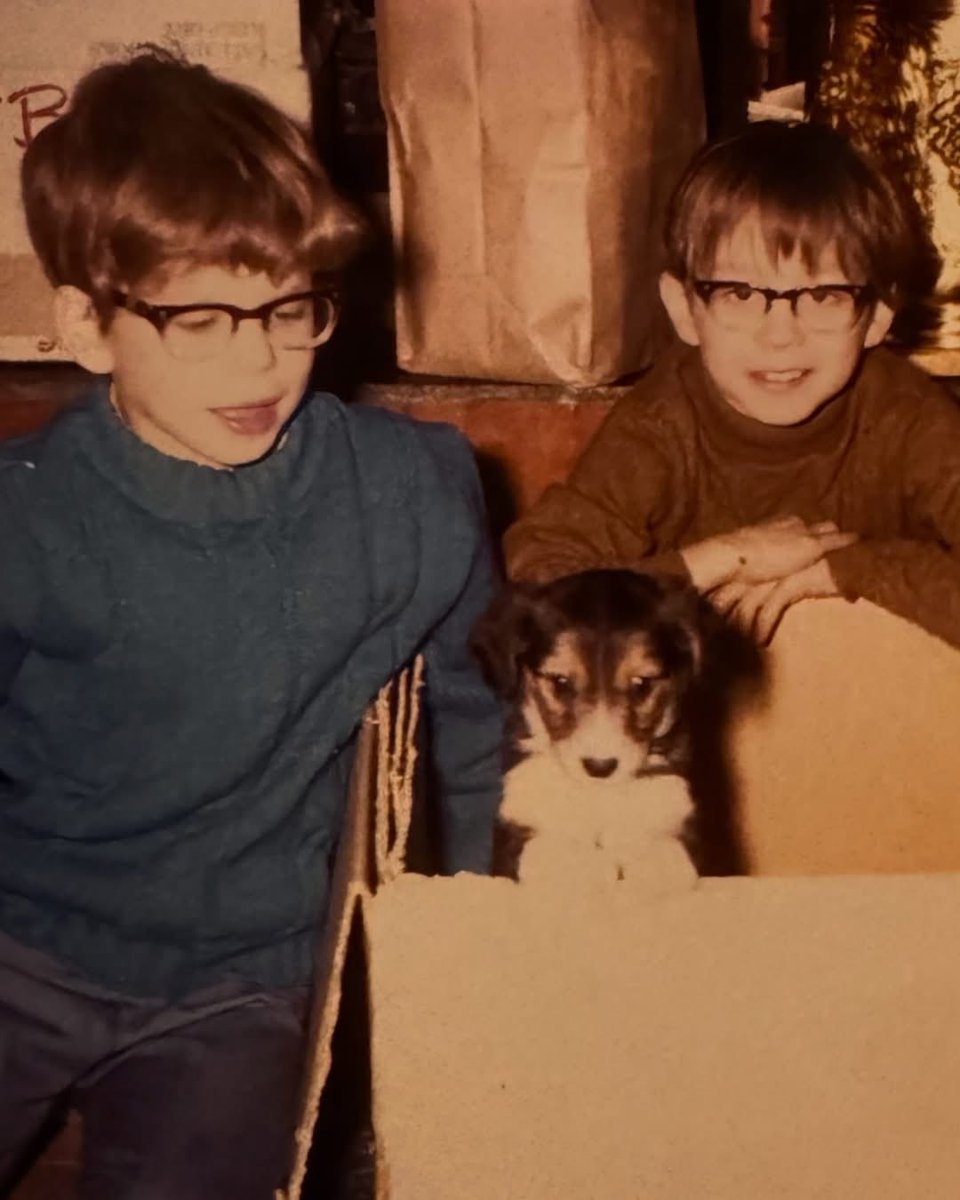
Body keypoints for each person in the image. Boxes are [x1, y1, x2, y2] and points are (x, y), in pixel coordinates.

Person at [0, 50, 503, 1199]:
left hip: (242, 987)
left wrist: (476, 959)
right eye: (201, 318)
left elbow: (476, 738)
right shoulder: (23, 515)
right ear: (85, 322)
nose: (259, 357)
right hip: (19, 942)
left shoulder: (411, 492)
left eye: (288, 307)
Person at [504, 119, 960, 649]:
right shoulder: (660, 427)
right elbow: (548, 583)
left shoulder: (907, 416)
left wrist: (854, 568)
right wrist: (728, 557)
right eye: (740, 294)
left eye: (825, 296)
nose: (781, 335)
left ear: (877, 318)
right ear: (685, 310)